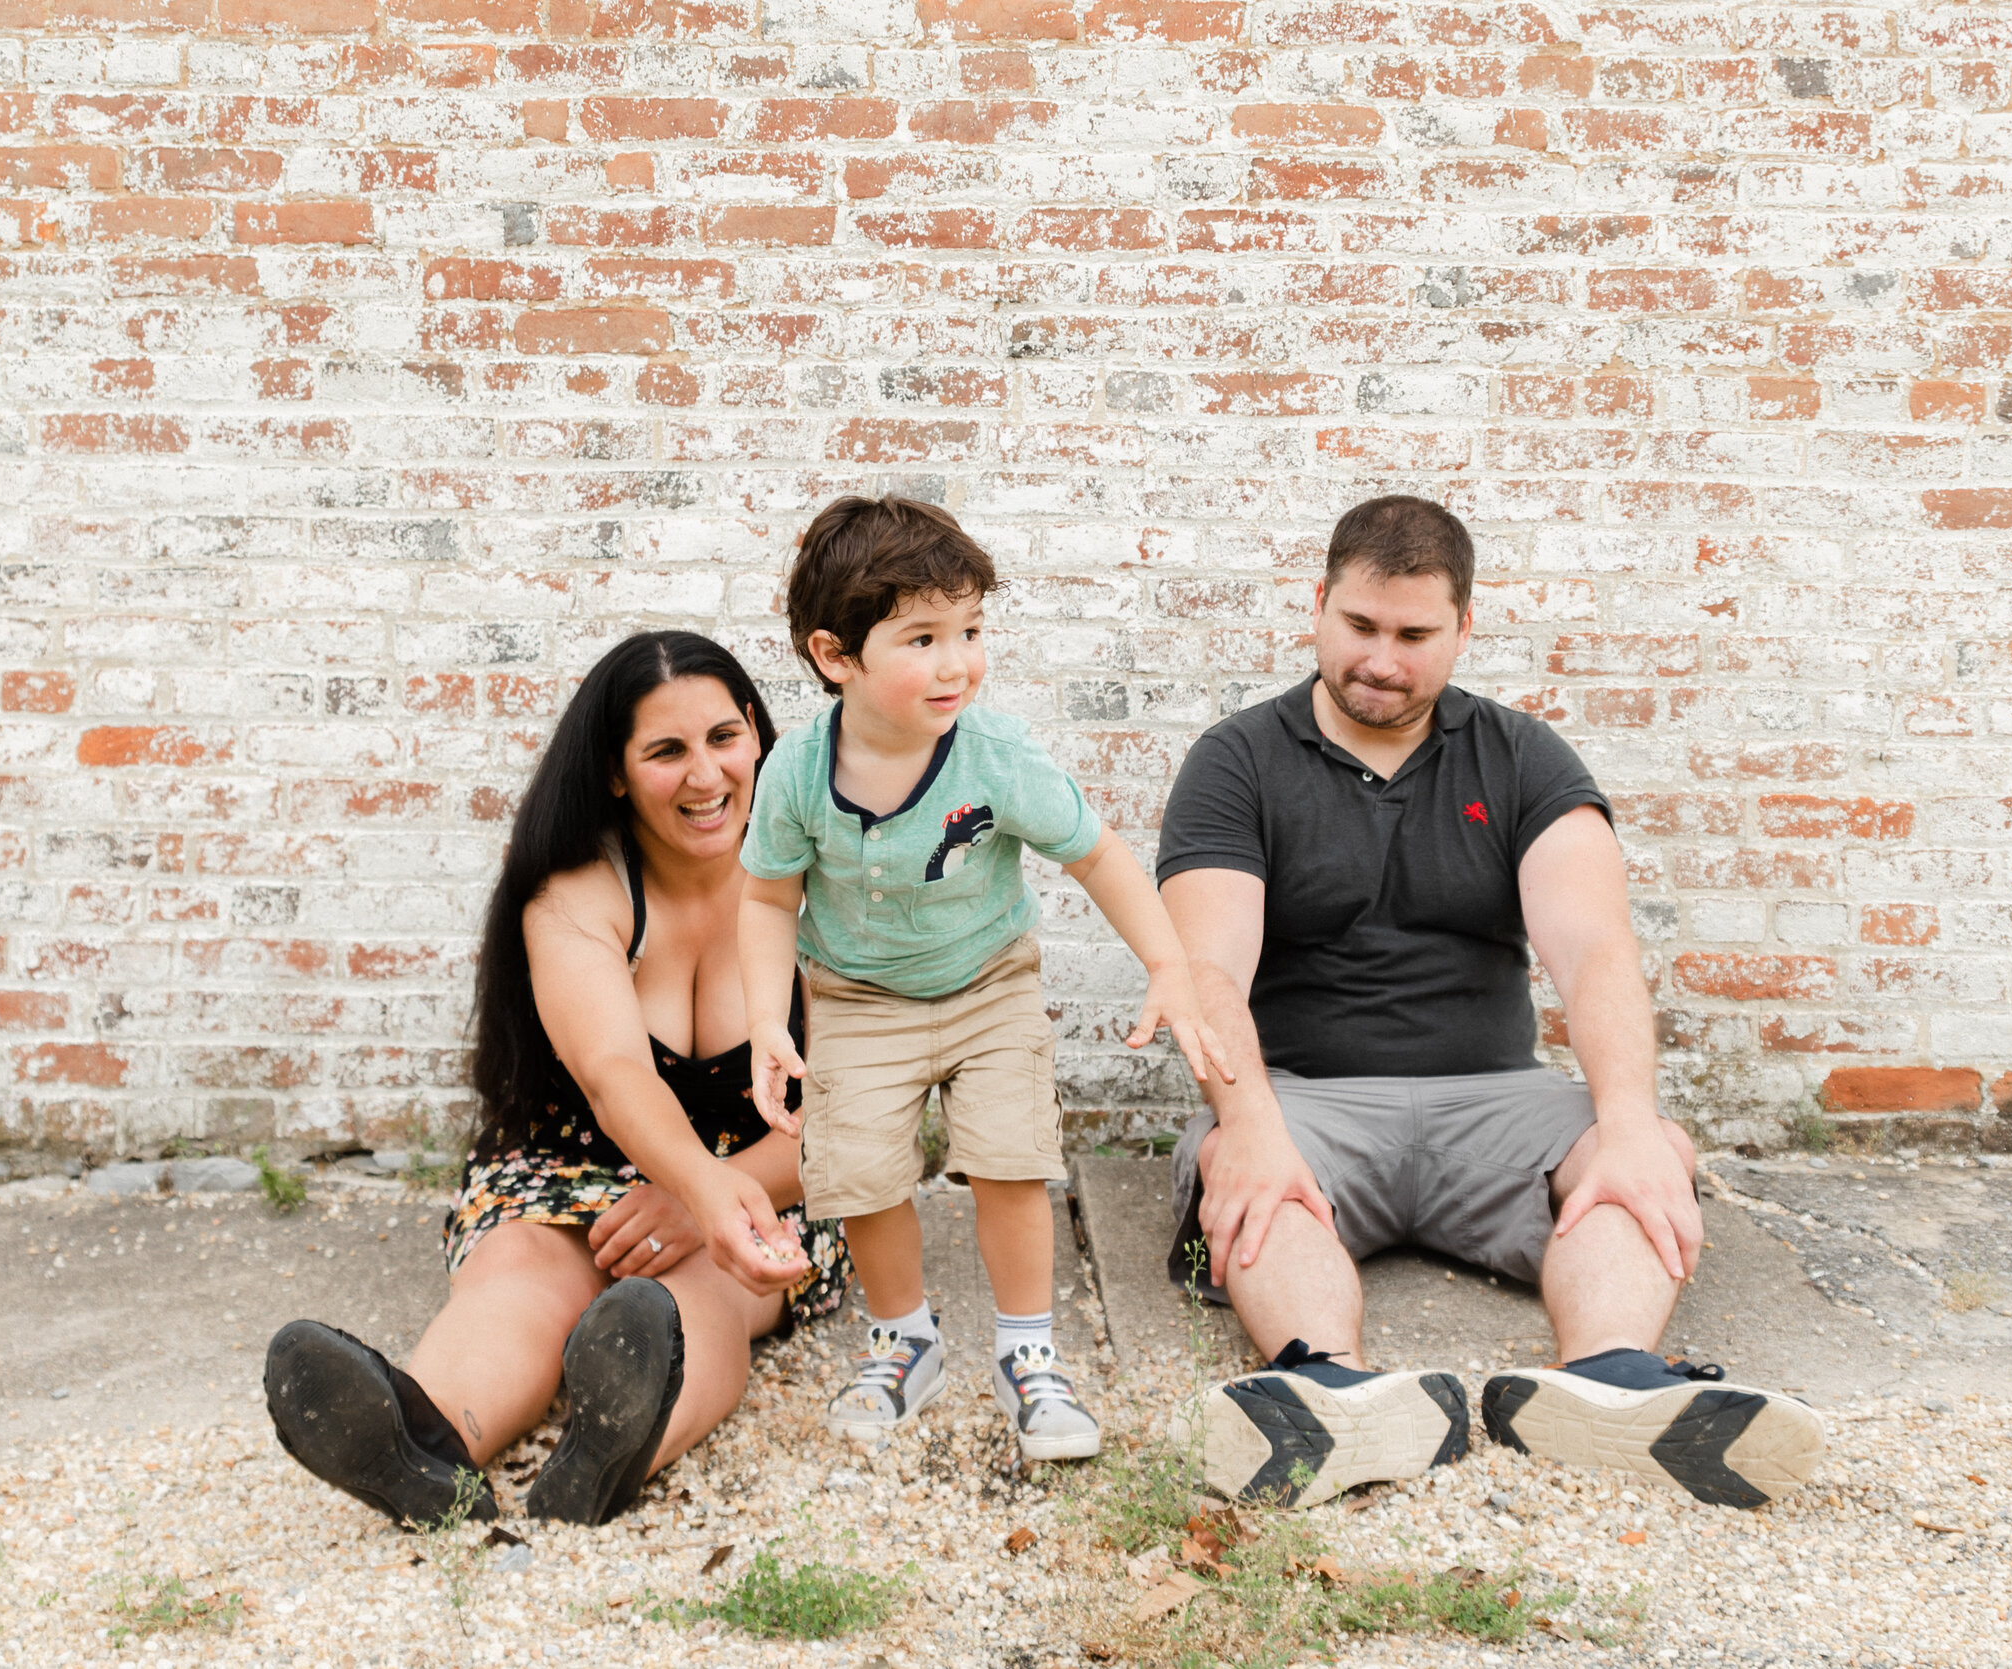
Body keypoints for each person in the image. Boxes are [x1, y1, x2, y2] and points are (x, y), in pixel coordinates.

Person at [1158, 495, 1825, 1512]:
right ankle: (1323, 1387)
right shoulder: (1237, 759)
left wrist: (1634, 1122)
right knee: (1244, 1172)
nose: (1382, 658)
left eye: (1414, 635)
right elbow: (1208, 968)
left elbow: (1595, 948)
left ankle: (1606, 1384)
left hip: (1495, 1101)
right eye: (1360, 627)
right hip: (1305, 1105)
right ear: (1318, 610)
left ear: (1463, 628)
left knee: (1639, 1155)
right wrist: (1245, 1124)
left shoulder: (1521, 757)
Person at [263, 631, 846, 1528]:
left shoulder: (823, 879)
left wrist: (710, 1200)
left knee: (708, 1294)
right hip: (567, 1167)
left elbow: (857, 1106)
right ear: (615, 773)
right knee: (522, 1271)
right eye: (666, 751)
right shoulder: (576, 893)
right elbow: (614, 1072)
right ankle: (425, 1446)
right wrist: (693, 1181)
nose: (705, 775)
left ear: (760, 736)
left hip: (769, 1178)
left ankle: (615, 1448)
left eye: (724, 738)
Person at [739, 494, 1231, 1462]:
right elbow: (764, 900)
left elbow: (1097, 856)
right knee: (862, 1173)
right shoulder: (797, 771)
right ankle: (903, 1339)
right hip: (857, 998)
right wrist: (768, 1020)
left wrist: (1168, 964)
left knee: (1011, 1157)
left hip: (988, 986)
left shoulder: (996, 757)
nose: (957, 660)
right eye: (921, 638)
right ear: (836, 656)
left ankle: (1028, 1353)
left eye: (969, 629)